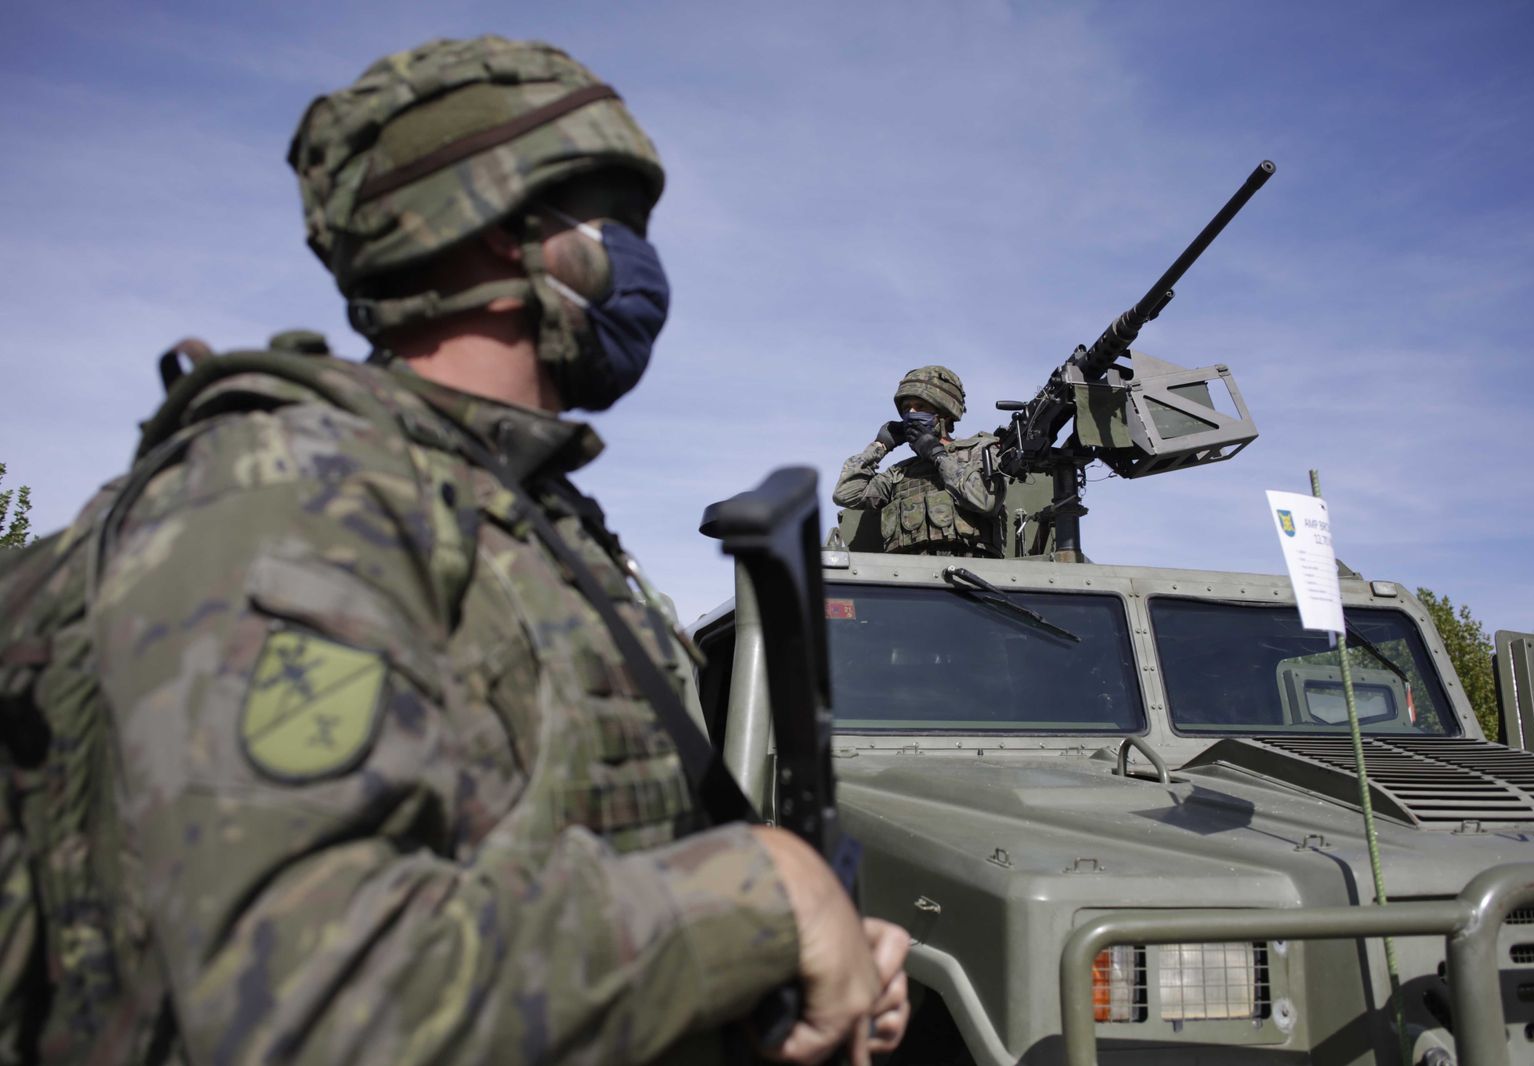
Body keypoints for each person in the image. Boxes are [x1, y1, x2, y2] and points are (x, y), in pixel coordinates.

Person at [0, 36, 907, 1065]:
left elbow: (603, 870)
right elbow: (310, 997)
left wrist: (784, 971)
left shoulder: (530, 521)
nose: (642, 263)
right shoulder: (287, 498)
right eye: (612, 220)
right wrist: (762, 897)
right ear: (494, 232)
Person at [833, 365, 1002, 556]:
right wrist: (879, 447)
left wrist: (938, 455)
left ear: (944, 413)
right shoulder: (899, 473)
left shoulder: (980, 450)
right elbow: (845, 494)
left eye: (921, 407)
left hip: (971, 577)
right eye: (906, 409)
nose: (911, 414)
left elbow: (986, 500)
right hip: (913, 579)